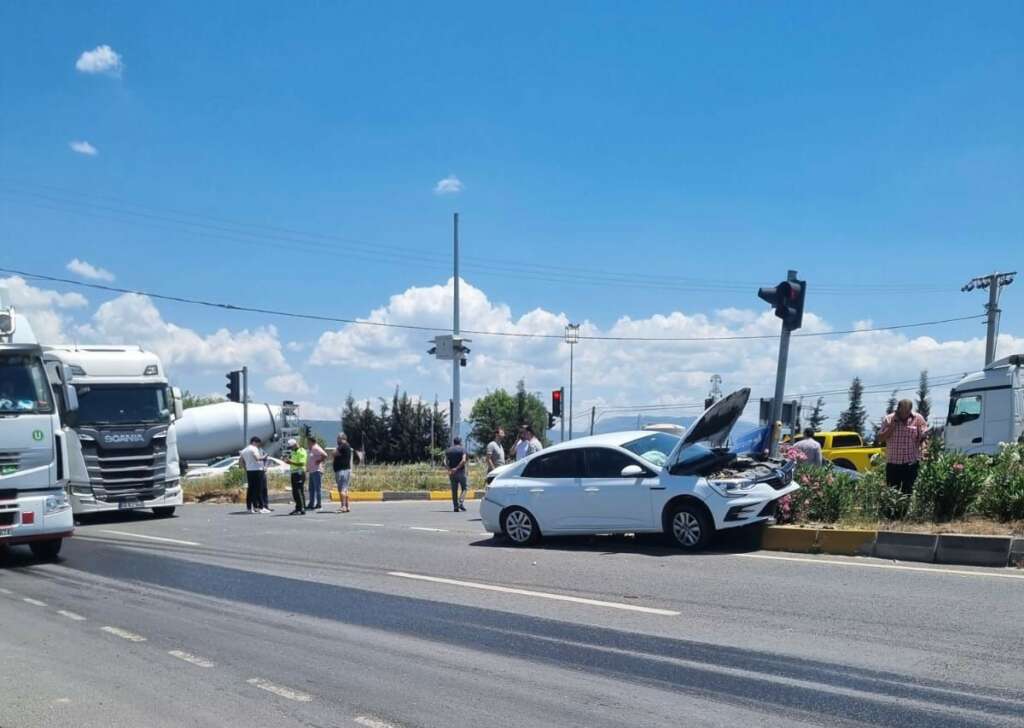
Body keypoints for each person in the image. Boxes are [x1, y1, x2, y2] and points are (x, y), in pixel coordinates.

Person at [879, 399, 930, 495]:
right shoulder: (889, 419)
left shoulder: (918, 418)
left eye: (906, 412)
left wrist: (924, 447)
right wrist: (892, 426)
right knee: (892, 494)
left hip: (911, 464)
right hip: (893, 464)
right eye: (902, 412)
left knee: (908, 493)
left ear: (910, 410)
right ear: (898, 409)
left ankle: (905, 510)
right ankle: (894, 510)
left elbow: (924, 436)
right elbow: (881, 438)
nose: (904, 415)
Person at [239, 436, 270, 514]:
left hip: (249, 471)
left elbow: (241, 462)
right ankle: (261, 507)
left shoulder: (244, 450)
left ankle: (249, 508)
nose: (258, 445)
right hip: (257, 470)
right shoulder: (254, 448)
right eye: (257, 443)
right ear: (254, 442)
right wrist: (265, 456)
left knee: (250, 489)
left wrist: (246, 469)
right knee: (259, 489)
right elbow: (258, 458)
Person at [445, 436, 468, 512]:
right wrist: (457, 468)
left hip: (451, 472)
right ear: (460, 442)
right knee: (464, 488)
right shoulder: (463, 449)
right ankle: (460, 502)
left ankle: (455, 507)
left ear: (453, 442)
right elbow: (464, 460)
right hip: (460, 471)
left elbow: (445, 462)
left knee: (454, 490)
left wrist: (449, 469)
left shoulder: (448, 450)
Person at [285, 438, 307, 515]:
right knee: (295, 491)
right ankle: (298, 507)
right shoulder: (294, 452)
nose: (290, 448)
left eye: (291, 447)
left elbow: (302, 463)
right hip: (294, 473)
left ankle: (302, 508)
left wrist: (290, 462)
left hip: (299, 473)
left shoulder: (301, 451)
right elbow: (294, 462)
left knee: (298, 491)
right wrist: (289, 462)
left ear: (295, 445)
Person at [306, 437, 328, 511]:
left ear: (311, 441)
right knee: (311, 489)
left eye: (308, 442)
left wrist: (319, 461)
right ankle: (311, 504)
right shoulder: (312, 449)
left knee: (317, 489)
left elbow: (325, 455)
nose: (307, 443)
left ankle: (319, 504)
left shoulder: (316, 448)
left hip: (317, 471)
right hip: (312, 471)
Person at [333, 433, 353, 513]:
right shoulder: (347, 446)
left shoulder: (343, 446)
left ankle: (343, 506)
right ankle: (347, 506)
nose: (337, 440)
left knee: (341, 489)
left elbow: (334, 453)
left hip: (342, 470)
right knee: (345, 489)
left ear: (341, 438)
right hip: (345, 470)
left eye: (338, 438)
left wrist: (335, 451)